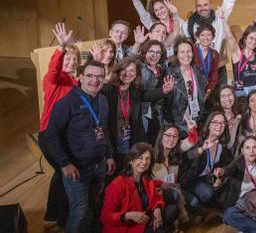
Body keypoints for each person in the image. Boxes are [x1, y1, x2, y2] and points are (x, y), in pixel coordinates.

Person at [43, 60, 115, 233]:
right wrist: (64, 163)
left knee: (93, 206)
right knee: (80, 211)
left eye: (99, 76)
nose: (95, 80)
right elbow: (51, 135)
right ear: (80, 77)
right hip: (77, 168)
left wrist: (109, 155)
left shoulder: (103, 100)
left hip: (99, 165)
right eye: (90, 76)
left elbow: (104, 130)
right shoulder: (66, 103)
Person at [38, 23, 81, 226]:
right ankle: (63, 218)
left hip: (68, 136)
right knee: (66, 172)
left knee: (62, 173)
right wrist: (61, 47)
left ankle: (55, 215)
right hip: (50, 136)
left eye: (74, 59)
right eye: (68, 58)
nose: (71, 61)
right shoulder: (53, 80)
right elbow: (54, 70)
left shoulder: (75, 82)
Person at [102, 57, 173, 165]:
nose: (127, 74)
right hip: (111, 141)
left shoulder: (135, 91)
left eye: (131, 71)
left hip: (130, 140)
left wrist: (164, 90)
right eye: (124, 69)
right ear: (118, 70)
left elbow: (147, 95)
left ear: (136, 74)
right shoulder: (107, 90)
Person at [100, 143, 167, 233]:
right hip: (125, 228)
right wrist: (127, 216)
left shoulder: (146, 179)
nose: (144, 162)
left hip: (143, 223)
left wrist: (157, 209)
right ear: (130, 161)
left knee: (171, 209)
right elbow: (105, 216)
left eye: (147, 158)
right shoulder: (117, 185)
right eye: (140, 158)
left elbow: (156, 198)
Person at [181, 111, 232, 211]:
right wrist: (202, 149)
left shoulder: (222, 147)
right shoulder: (199, 140)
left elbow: (225, 166)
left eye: (222, 123)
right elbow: (188, 156)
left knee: (212, 193)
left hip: (204, 179)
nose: (219, 125)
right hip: (189, 179)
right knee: (201, 198)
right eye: (215, 122)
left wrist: (219, 176)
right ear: (208, 125)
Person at [219, 9, 256, 104]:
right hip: (241, 92)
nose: (254, 41)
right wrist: (223, 19)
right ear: (245, 39)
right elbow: (229, 36)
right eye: (251, 38)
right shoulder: (238, 54)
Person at [164, 39, 206, 135]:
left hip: (195, 120)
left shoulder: (198, 70)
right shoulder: (171, 73)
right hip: (177, 123)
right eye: (182, 52)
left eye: (189, 51)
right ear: (177, 54)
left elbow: (200, 95)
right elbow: (164, 101)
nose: (186, 55)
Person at [152, 125, 188, 229]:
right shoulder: (151, 154)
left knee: (176, 196)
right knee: (175, 194)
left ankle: (173, 224)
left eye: (175, 136)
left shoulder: (176, 152)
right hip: (155, 191)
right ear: (161, 136)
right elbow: (144, 180)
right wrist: (161, 184)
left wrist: (191, 129)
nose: (171, 139)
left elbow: (191, 141)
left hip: (172, 188)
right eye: (168, 135)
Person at [139, 39, 169, 144]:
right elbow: (141, 95)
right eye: (151, 51)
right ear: (145, 52)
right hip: (142, 114)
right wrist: (163, 91)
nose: (154, 55)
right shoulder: (140, 69)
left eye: (158, 52)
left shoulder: (162, 69)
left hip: (157, 114)